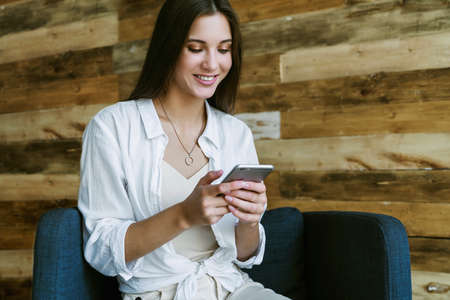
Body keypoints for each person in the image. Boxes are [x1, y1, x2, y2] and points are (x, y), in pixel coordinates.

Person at [78, 0, 291, 299]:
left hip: (233, 289)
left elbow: (245, 255)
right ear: (169, 47)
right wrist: (184, 215)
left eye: (224, 49)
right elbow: (102, 250)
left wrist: (249, 220)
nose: (212, 64)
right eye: (196, 48)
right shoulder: (112, 126)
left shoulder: (236, 133)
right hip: (156, 293)